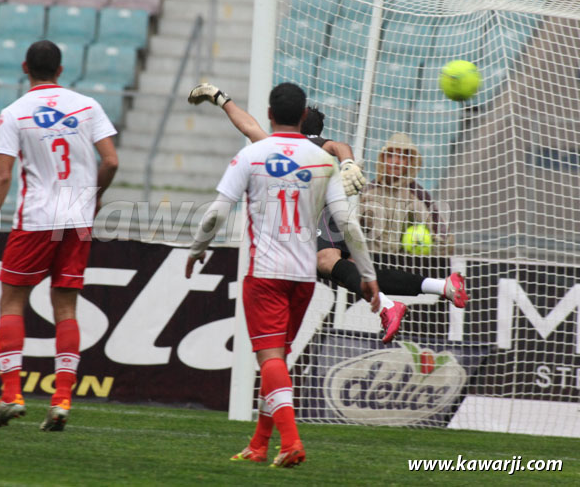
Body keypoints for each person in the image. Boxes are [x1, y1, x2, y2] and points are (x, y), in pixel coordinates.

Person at [185, 82, 406, 468]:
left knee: (269, 359)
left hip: (265, 273)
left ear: (270, 114)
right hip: (303, 277)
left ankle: (290, 442)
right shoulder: (322, 160)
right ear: (304, 116)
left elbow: (217, 213)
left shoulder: (252, 153)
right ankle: (258, 444)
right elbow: (348, 226)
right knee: (279, 360)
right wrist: (367, 274)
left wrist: (197, 249)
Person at [188, 83, 468, 308]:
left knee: (325, 262)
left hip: (318, 216)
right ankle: (438, 287)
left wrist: (222, 99)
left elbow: (248, 126)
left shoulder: (281, 146)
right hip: (328, 216)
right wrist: (347, 163)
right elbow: (340, 145)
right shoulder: (315, 144)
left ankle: (387, 306)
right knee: (351, 272)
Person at [0, 40, 118, 431]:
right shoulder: (88, 106)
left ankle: (11, 395)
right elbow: (111, 160)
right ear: (60, 68)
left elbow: (3, 175)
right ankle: (61, 402)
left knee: (11, 301)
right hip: (77, 219)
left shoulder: (13, 113)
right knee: (67, 308)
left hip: (37, 218)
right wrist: (93, 197)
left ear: (26, 67)